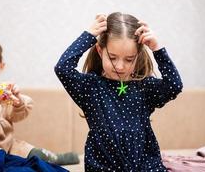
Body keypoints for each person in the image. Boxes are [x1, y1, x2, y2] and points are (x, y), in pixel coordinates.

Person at [55, 12, 183, 171]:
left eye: (129, 59)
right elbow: (62, 68)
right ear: (100, 52)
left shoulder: (143, 86)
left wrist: (157, 49)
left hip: (145, 167)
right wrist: (88, 35)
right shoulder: (91, 87)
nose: (120, 66)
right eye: (113, 57)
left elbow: (174, 86)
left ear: (137, 56)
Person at [0, 35, 79, 165]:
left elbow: (15, 116)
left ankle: (52, 158)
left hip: (7, 145)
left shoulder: (2, 90)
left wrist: (18, 102)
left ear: (1, 66)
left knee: (33, 154)